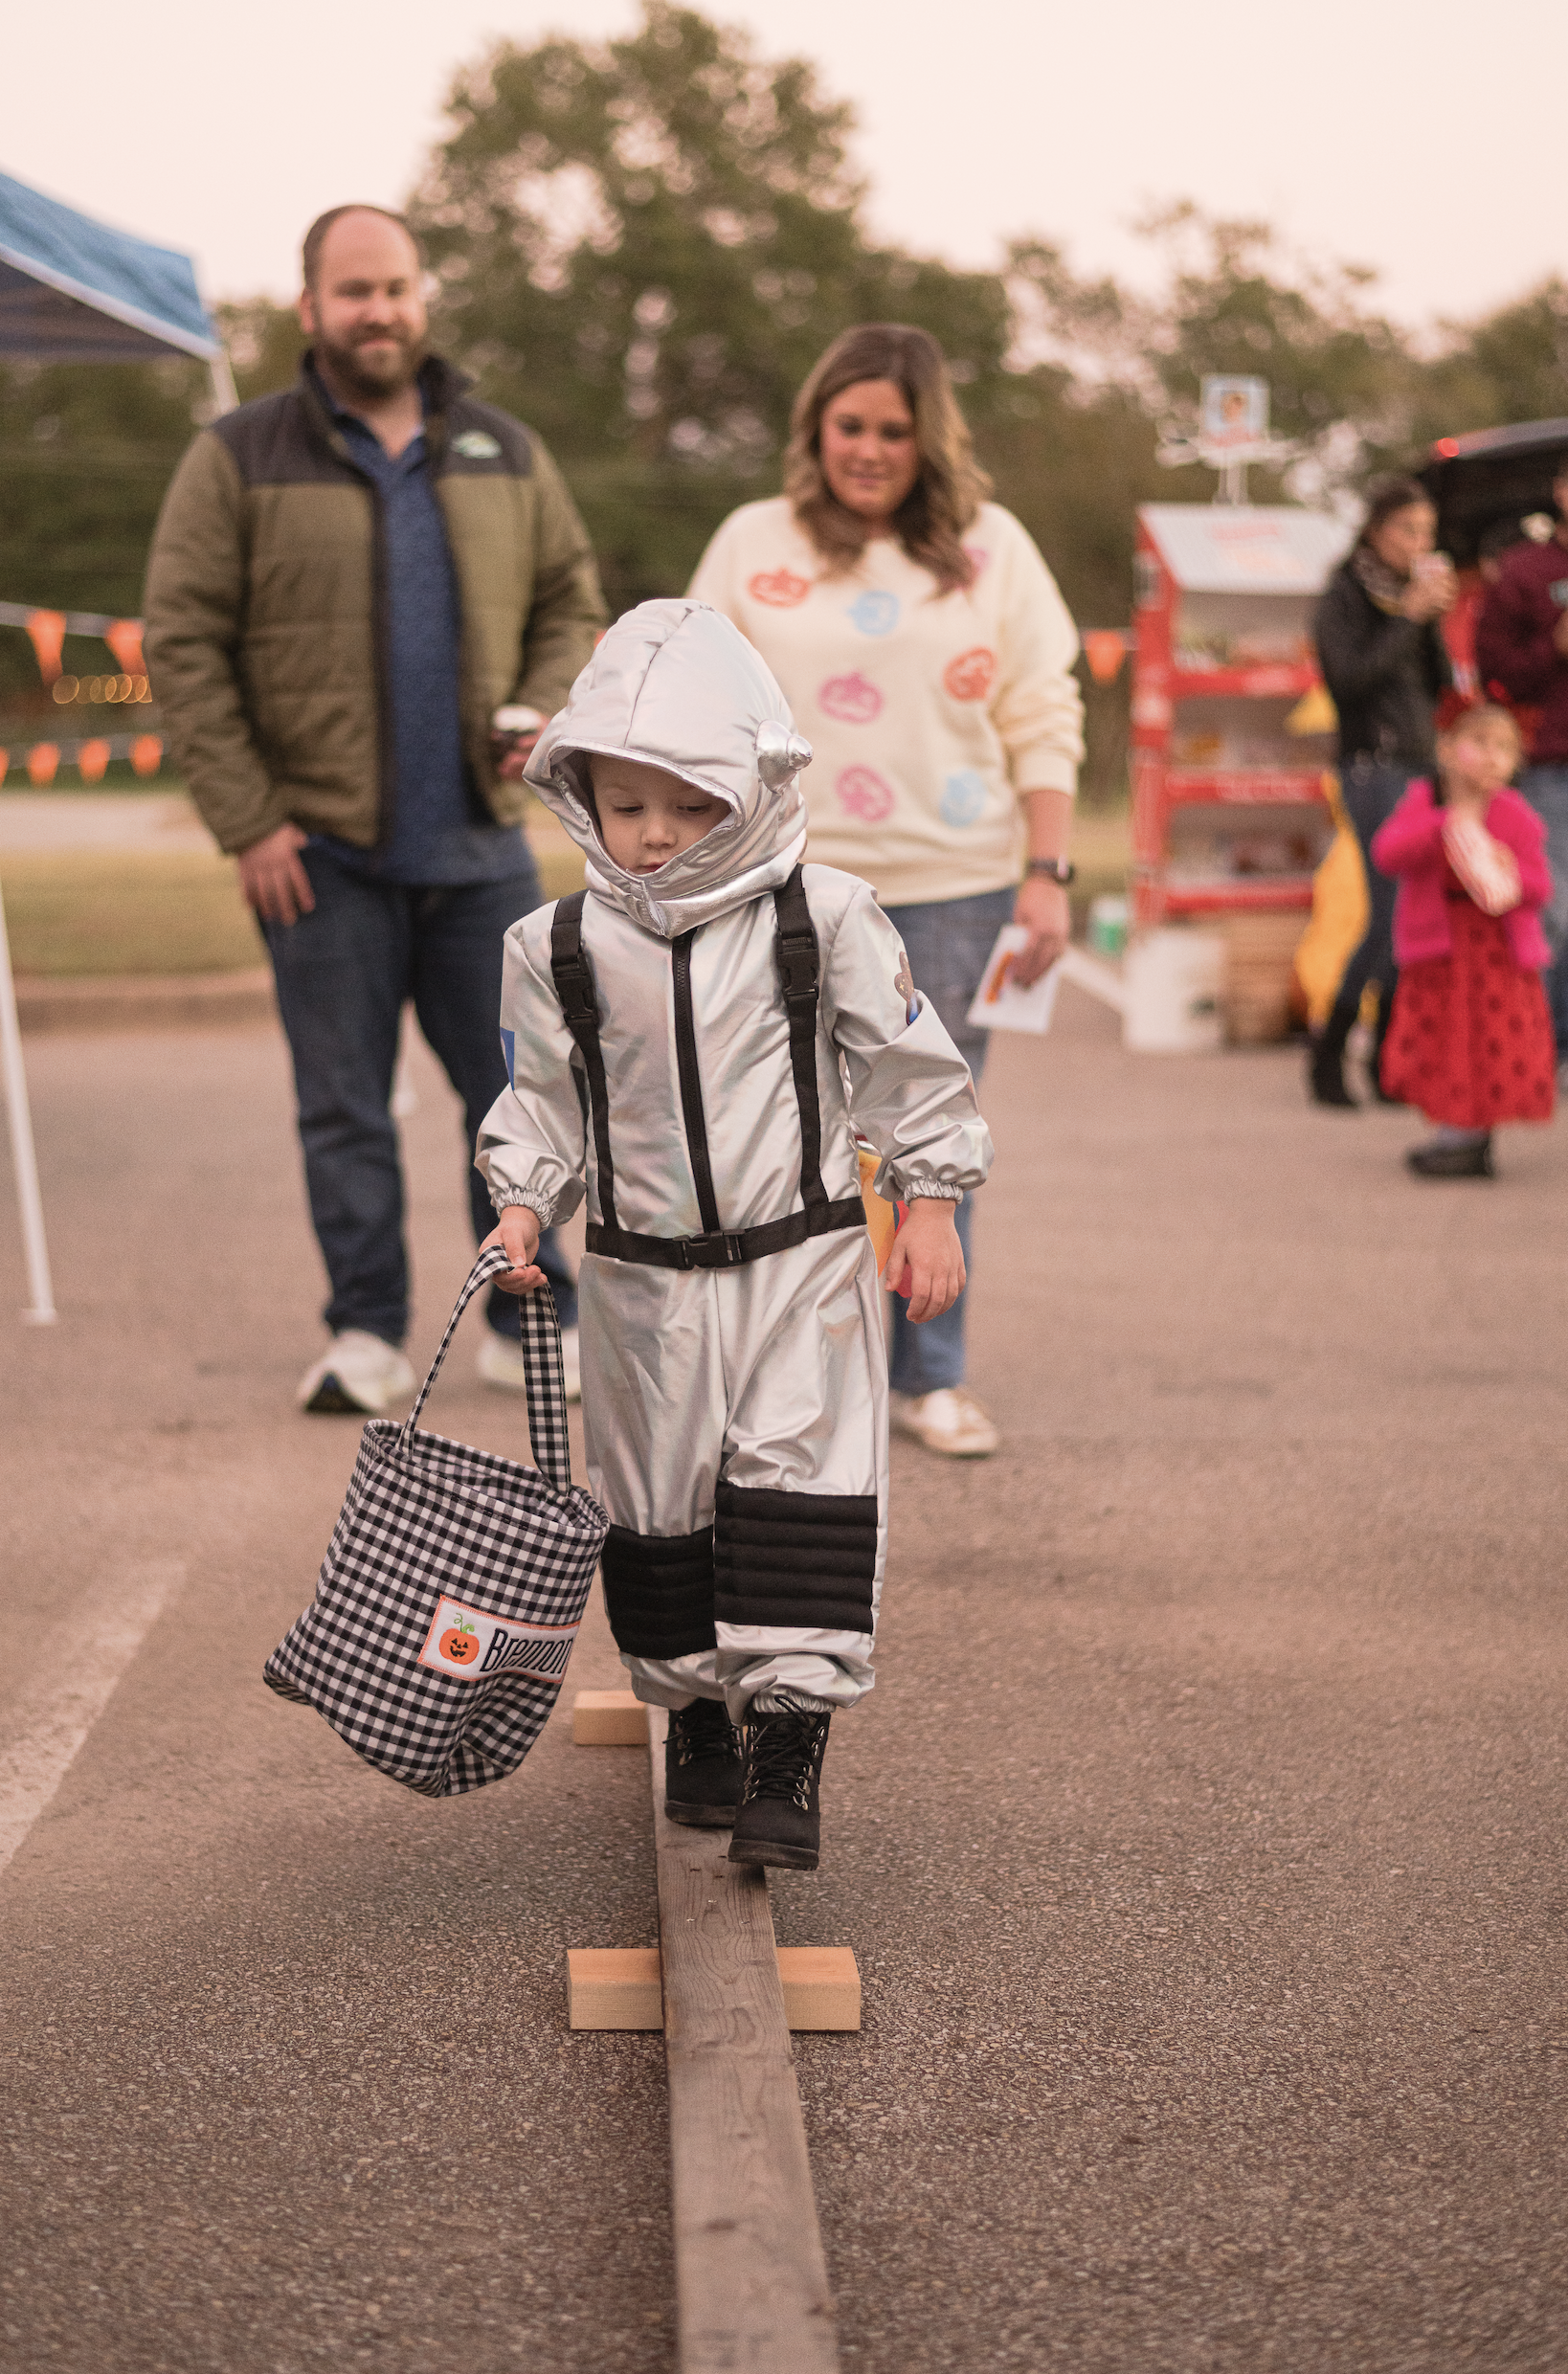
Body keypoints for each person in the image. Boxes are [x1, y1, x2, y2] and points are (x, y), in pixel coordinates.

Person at [476, 599, 991, 1870]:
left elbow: (906, 1068)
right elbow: (544, 1098)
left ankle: (789, 1746)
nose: (654, 833)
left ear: (748, 793)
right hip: (638, 1281)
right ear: (580, 792)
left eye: (688, 803)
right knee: (657, 1516)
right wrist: (523, 1199)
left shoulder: (821, 917)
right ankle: (696, 1717)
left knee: (797, 1489)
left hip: (802, 1264)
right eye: (626, 801)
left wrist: (925, 1198)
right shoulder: (557, 947)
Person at [144, 204, 605, 1414]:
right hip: (316, 852)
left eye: (395, 287)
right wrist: (247, 819)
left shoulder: (503, 447)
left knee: (515, 1096)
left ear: (422, 297)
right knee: (342, 1105)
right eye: (353, 291)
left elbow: (570, 595)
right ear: (309, 307)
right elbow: (182, 641)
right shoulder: (238, 454)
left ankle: (522, 1310)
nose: (378, 310)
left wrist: (542, 701)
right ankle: (365, 1332)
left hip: (480, 847)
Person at [687, 323, 1082, 1461]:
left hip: (955, 890)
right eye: (849, 425)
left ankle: (931, 1374)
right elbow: (699, 702)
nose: (868, 448)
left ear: (927, 441)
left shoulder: (990, 548)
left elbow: (1044, 711)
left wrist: (1047, 876)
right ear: (818, 427)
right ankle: (782, 1382)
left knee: (931, 1144)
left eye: (893, 431)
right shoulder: (751, 539)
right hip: (780, 888)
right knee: (775, 1140)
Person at [1310, 475, 1454, 1107]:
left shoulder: (1408, 596)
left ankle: (1388, 1065)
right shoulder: (1346, 594)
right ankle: (1329, 1056)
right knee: (1386, 915)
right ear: (1376, 529)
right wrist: (1407, 619)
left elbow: (1439, 686)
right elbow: (1348, 681)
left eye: (1428, 532)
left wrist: (1432, 619)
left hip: (1421, 767)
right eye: (1408, 531)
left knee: (1411, 916)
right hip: (1373, 767)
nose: (1419, 544)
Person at [1374, 697, 1554, 1176]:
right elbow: (1388, 853)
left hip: (1496, 954)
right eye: (1480, 743)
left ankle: (1468, 1137)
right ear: (1448, 749)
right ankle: (1457, 1134)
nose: (1494, 755)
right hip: (1441, 949)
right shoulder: (1424, 801)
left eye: (1505, 747)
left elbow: (1540, 885)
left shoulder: (1513, 813)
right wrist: (1442, 827)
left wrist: (1507, 872)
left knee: (1488, 1042)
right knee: (1446, 1039)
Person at [1475, 461, 1568, 1070]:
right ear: (1562, 491)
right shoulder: (1525, 570)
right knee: (1556, 912)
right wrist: (1553, 648)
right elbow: (1494, 670)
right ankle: (1545, 1046)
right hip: (1549, 764)